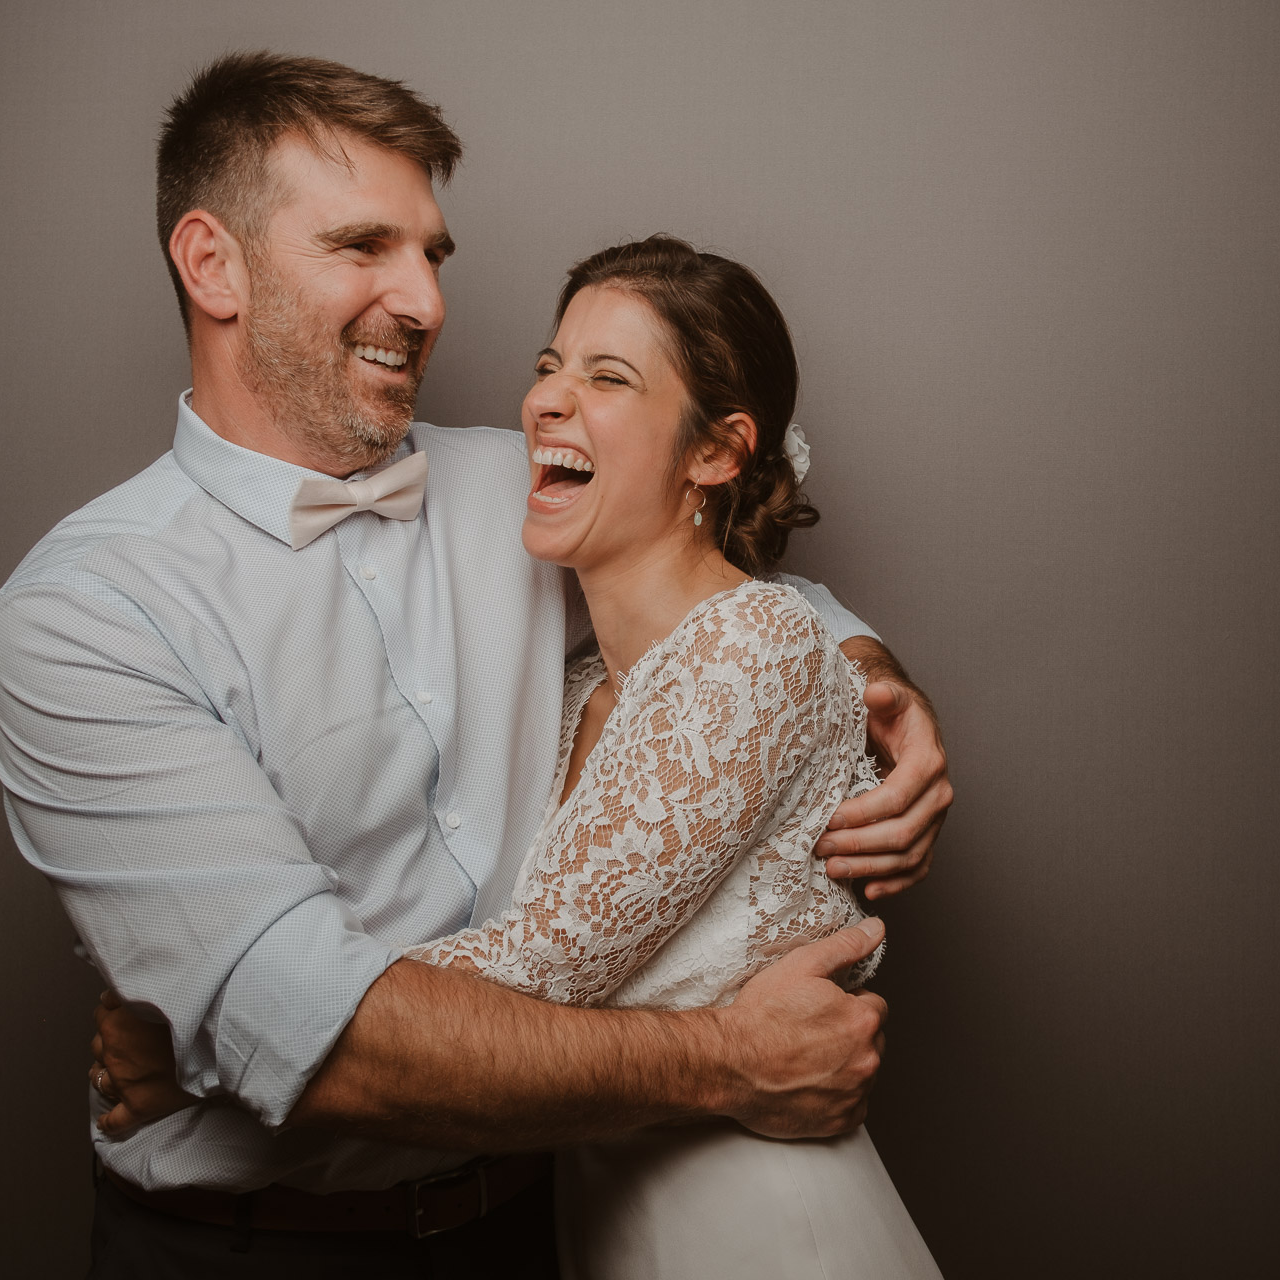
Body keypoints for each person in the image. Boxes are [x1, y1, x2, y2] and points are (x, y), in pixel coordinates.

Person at [0, 53, 950, 1276]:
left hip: (526, 1221)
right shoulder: (89, 610)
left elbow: (741, 598)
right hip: (255, 1250)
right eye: (363, 245)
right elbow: (320, 1034)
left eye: (431, 254)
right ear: (211, 264)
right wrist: (731, 1059)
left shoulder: (523, 488)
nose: (427, 301)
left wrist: (879, 685)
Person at [400, 234, 943, 1276]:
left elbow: (537, 972)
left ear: (716, 451)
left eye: (608, 376)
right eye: (548, 364)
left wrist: (239, 1010)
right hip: (603, 1215)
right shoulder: (578, 691)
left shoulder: (756, 645)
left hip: (761, 1223)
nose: (548, 399)